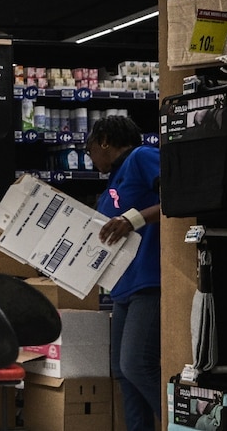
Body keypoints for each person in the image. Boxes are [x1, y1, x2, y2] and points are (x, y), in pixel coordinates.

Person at [89, 116, 162, 431]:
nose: (90, 158)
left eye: (89, 149)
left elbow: (180, 192)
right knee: (122, 369)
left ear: (104, 139)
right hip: (122, 288)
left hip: (149, 280)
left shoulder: (142, 157)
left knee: (137, 364)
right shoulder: (113, 182)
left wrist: (133, 220)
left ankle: (182, 422)